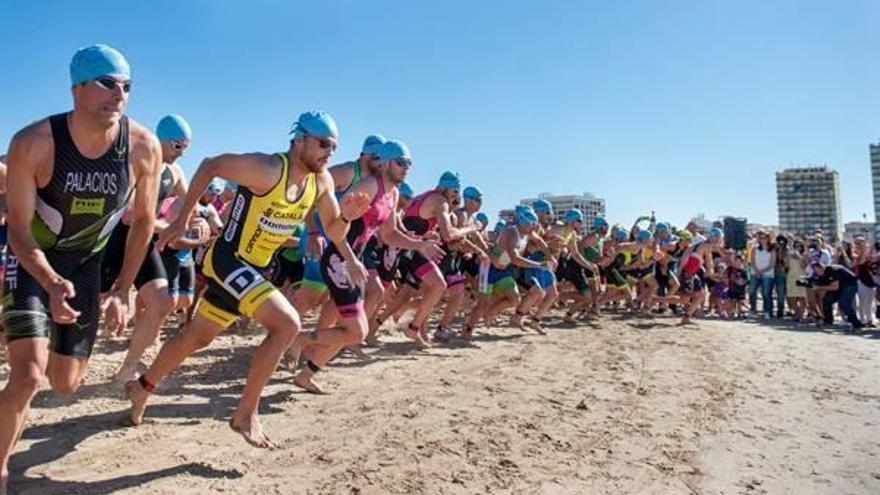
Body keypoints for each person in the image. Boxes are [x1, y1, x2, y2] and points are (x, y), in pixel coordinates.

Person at [125, 111, 371, 448]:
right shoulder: (267, 169)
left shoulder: (322, 182)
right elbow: (210, 164)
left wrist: (346, 216)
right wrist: (182, 219)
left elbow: (333, 229)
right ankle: (246, 413)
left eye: (334, 146)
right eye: (322, 143)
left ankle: (143, 387)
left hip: (257, 268)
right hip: (228, 259)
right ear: (299, 139)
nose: (329, 152)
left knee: (195, 338)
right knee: (286, 324)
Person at [0, 44, 162, 494]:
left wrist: (123, 289)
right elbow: (17, 230)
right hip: (34, 261)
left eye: (127, 86)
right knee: (29, 375)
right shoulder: (33, 143)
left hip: (88, 265)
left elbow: (145, 221)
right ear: (76, 87)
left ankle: (25, 334)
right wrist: (50, 282)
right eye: (107, 83)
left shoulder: (144, 147)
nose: (120, 93)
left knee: (65, 383)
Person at [288, 139, 442, 393]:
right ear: (385, 163)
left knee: (350, 328)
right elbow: (336, 225)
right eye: (401, 162)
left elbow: (389, 234)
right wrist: (349, 259)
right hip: (339, 259)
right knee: (355, 330)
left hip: (352, 261)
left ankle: (306, 373)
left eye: (409, 164)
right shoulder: (369, 186)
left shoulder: (391, 194)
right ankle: (297, 340)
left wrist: (419, 244)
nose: (406, 168)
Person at [102, 113, 192, 383]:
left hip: (142, 242)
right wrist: (169, 227)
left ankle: (128, 367)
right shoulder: (136, 163)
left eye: (186, 147)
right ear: (161, 141)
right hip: (113, 240)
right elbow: (130, 215)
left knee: (162, 302)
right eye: (178, 146)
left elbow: (190, 204)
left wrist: (203, 219)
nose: (181, 153)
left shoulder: (174, 173)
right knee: (95, 307)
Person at [811, 260, 863, 331]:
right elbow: (825, 285)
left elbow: (835, 287)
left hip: (850, 284)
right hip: (841, 287)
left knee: (844, 304)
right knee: (827, 300)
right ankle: (828, 321)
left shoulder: (831, 270)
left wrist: (818, 287)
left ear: (822, 267)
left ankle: (856, 324)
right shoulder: (822, 275)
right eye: (815, 269)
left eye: (818, 268)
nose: (816, 271)